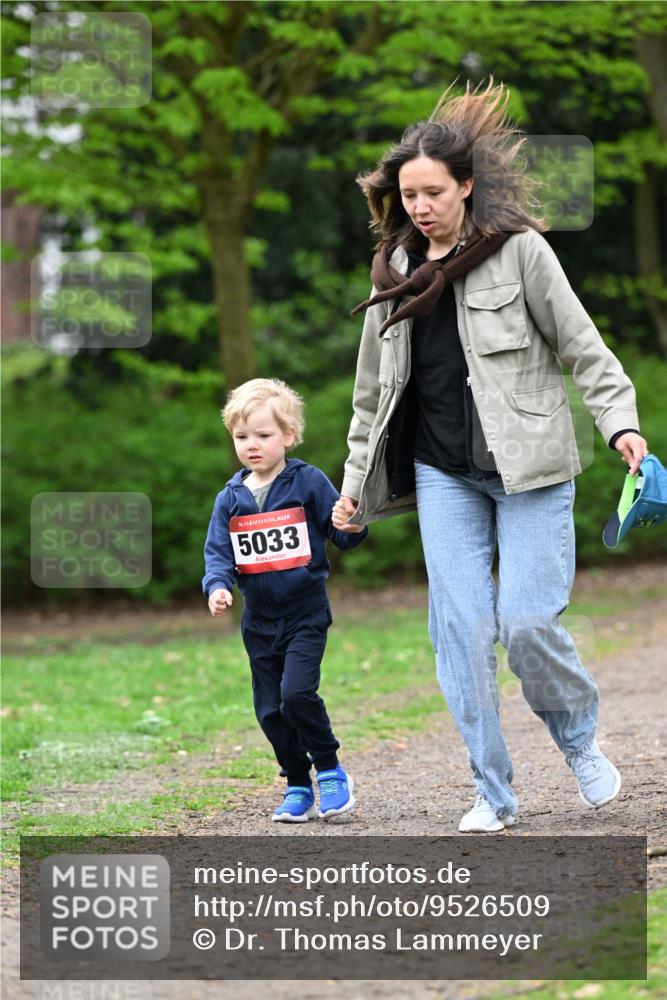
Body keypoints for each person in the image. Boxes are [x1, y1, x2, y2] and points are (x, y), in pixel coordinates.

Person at [333, 79, 648, 833]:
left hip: (532, 470)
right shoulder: (391, 281)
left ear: (465, 186)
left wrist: (621, 428)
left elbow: (585, 351)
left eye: (433, 191)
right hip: (444, 476)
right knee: (461, 630)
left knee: (529, 623)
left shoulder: (522, 256)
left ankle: (578, 745)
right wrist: (351, 491)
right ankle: (492, 792)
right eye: (408, 193)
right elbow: (370, 400)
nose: (419, 206)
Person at [203, 378, 367, 822]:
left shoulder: (307, 481)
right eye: (242, 437)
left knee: (296, 695)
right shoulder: (230, 498)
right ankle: (298, 782)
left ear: (288, 436)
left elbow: (341, 533)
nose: (251, 445)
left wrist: (351, 524)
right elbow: (219, 553)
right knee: (270, 710)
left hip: (305, 613)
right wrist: (218, 586)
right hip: (258, 621)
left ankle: (330, 771)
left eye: (263, 435)